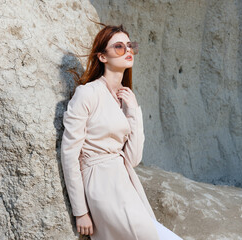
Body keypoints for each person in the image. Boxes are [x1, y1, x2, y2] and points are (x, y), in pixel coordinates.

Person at [60, 23, 183, 240]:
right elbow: (69, 154)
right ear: (102, 57)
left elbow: (133, 159)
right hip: (101, 185)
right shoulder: (87, 94)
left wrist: (133, 112)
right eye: (118, 47)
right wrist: (81, 211)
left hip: (125, 182)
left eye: (130, 46)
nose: (127, 51)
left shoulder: (125, 98)